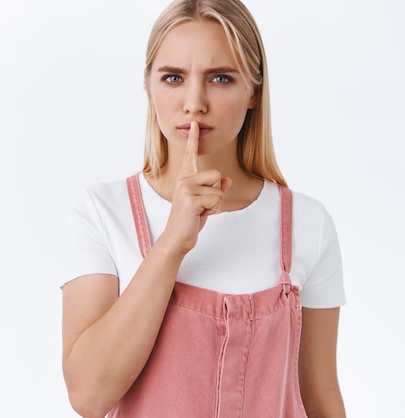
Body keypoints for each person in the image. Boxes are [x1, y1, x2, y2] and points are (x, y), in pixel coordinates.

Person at [60, 0, 346, 416]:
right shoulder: (102, 211)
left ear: (253, 91)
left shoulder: (308, 223)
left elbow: (319, 394)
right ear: (148, 86)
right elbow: (88, 397)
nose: (194, 102)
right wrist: (172, 242)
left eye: (221, 78)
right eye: (173, 77)